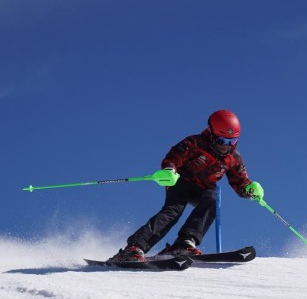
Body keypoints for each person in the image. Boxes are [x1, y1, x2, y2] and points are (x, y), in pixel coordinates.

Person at [109, 109, 264, 261]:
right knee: (173, 212)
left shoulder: (233, 158)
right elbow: (173, 158)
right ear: (211, 133)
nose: (226, 146)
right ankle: (134, 248)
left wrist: (249, 189)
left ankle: (184, 243)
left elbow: (240, 182)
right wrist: (169, 170)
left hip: (204, 188)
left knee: (212, 202)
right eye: (221, 140)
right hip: (181, 182)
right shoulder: (194, 143)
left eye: (232, 141)